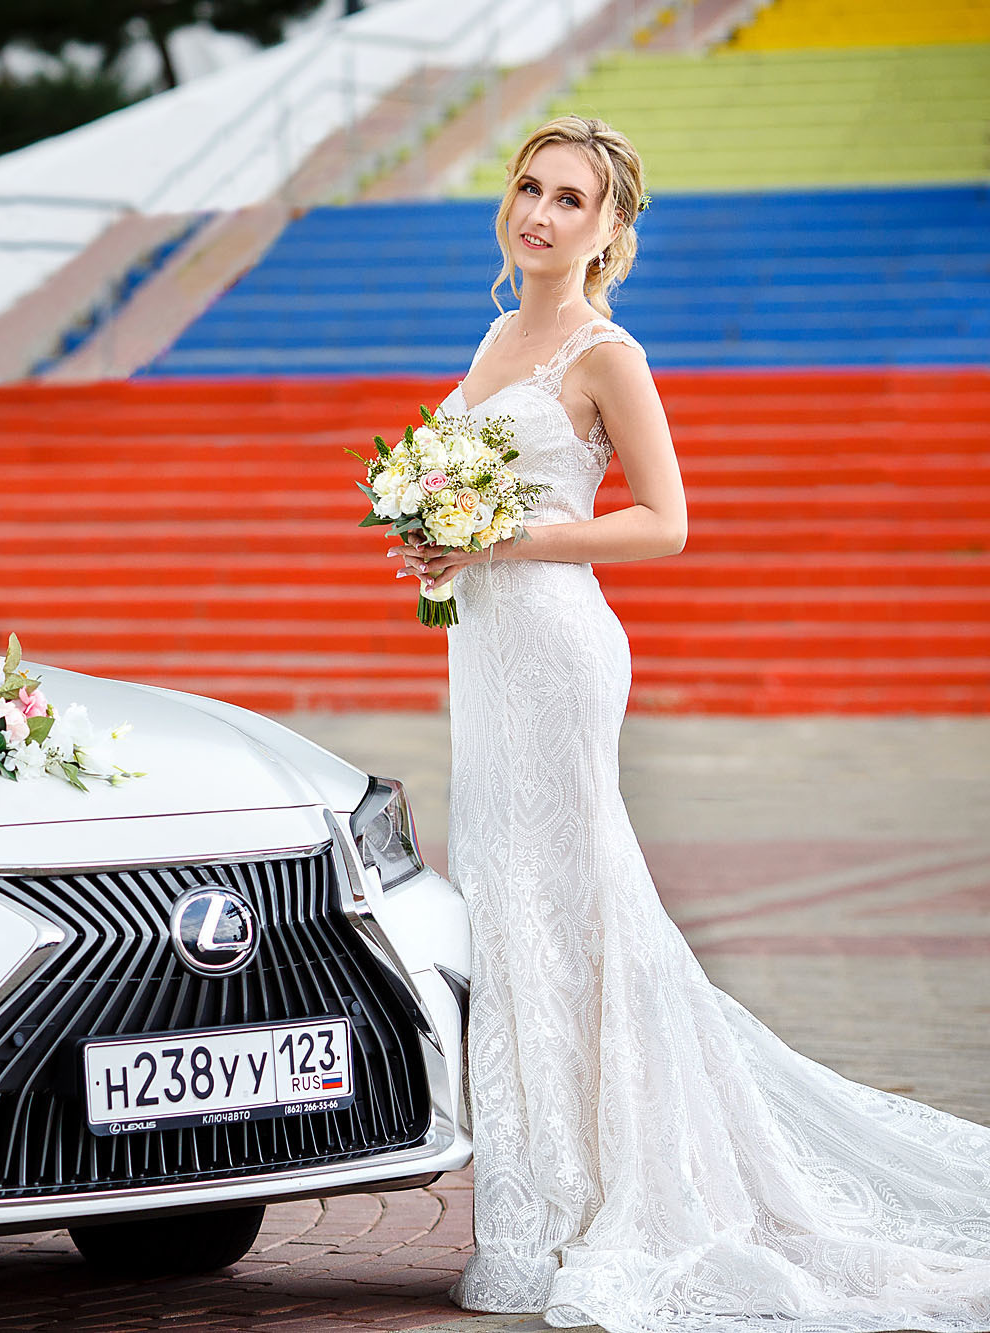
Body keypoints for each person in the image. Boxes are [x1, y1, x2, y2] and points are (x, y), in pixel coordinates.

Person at [388, 114, 990, 1332]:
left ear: (609, 231)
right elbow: (475, 498)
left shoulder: (608, 354)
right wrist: (434, 546)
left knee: (580, 899)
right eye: (527, 189)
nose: (540, 213)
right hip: (485, 655)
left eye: (570, 200)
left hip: (556, 648)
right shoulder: (498, 333)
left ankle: (621, 1188)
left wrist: (506, 537)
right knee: (511, 900)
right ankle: (541, 1199)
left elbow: (664, 522)